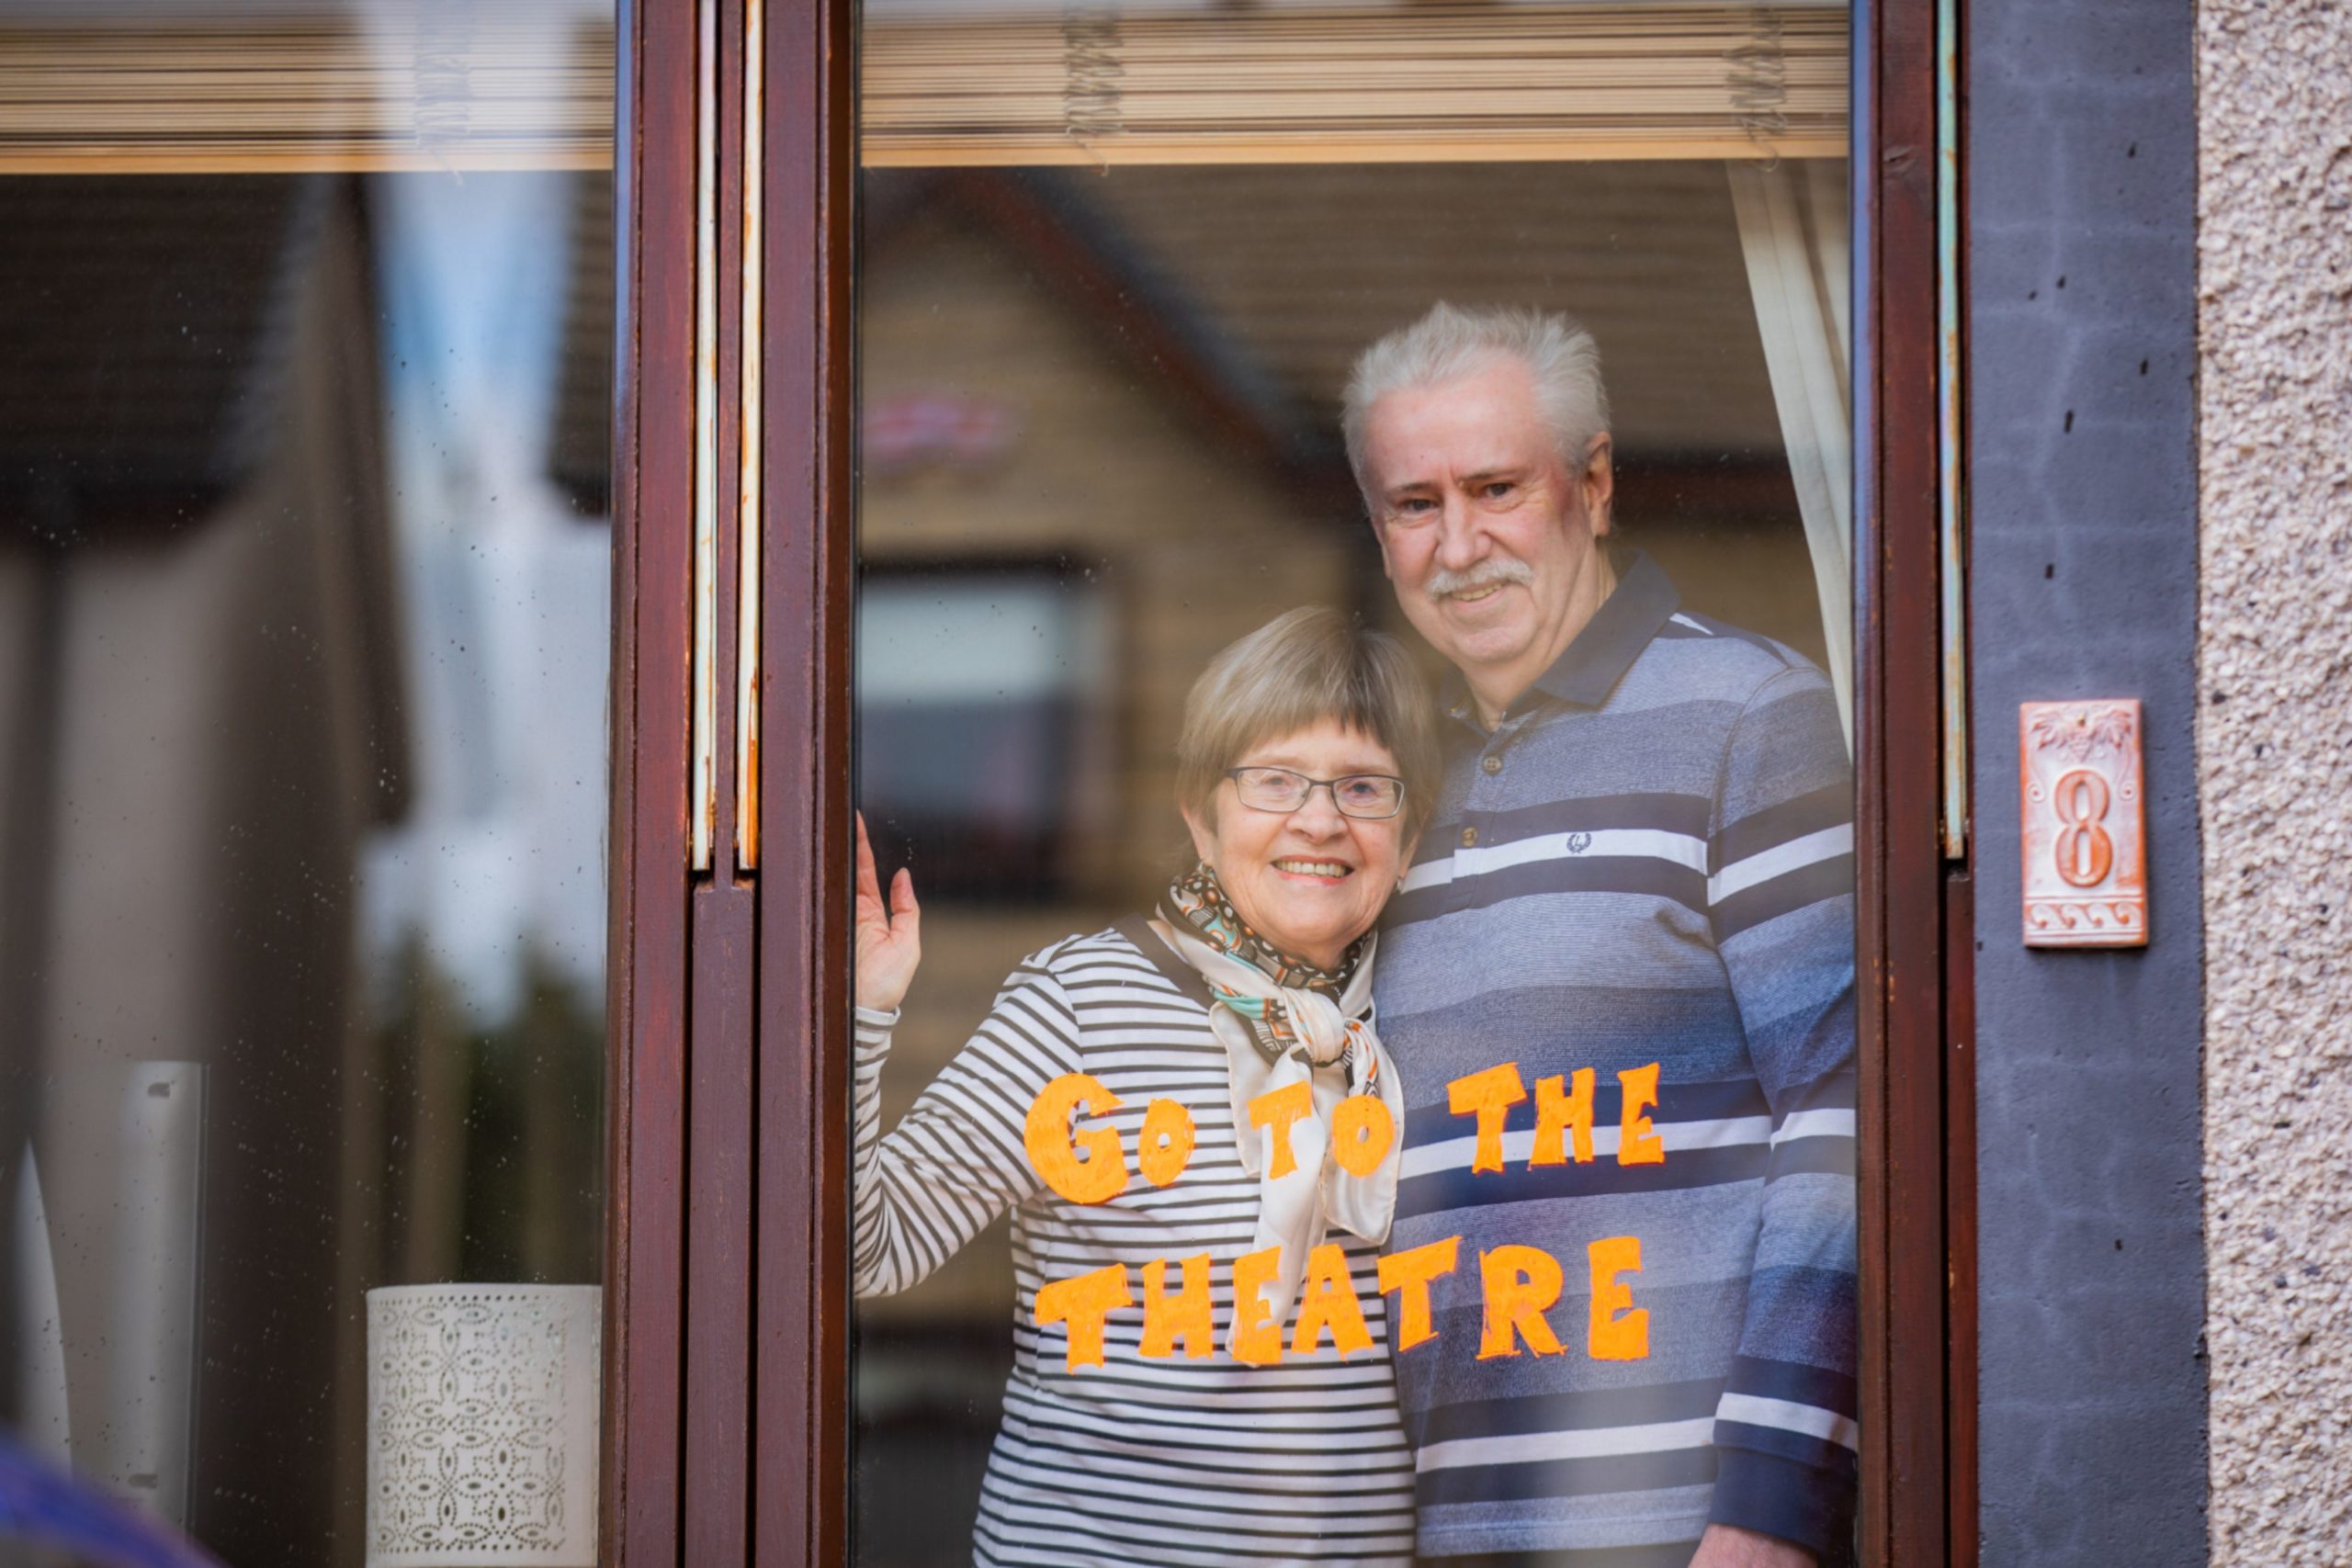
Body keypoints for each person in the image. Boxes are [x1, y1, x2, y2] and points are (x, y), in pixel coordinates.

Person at [1346, 304, 1858, 1568]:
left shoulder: (1752, 716)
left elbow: (1842, 1118)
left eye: (1498, 488)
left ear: (1596, 484)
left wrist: (1770, 1506)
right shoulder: (1384, 777)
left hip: (1678, 1523)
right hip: (1429, 1524)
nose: (1461, 545)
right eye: (1415, 504)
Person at [853, 605, 1441, 1566]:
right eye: (1275, 780)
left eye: (1364, 787)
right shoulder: (1081, 1001)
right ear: (1199, 818)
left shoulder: (1428, 1018)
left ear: (1407, 839)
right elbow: (865, 1253)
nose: (1321, 819)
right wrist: (864, 1016)